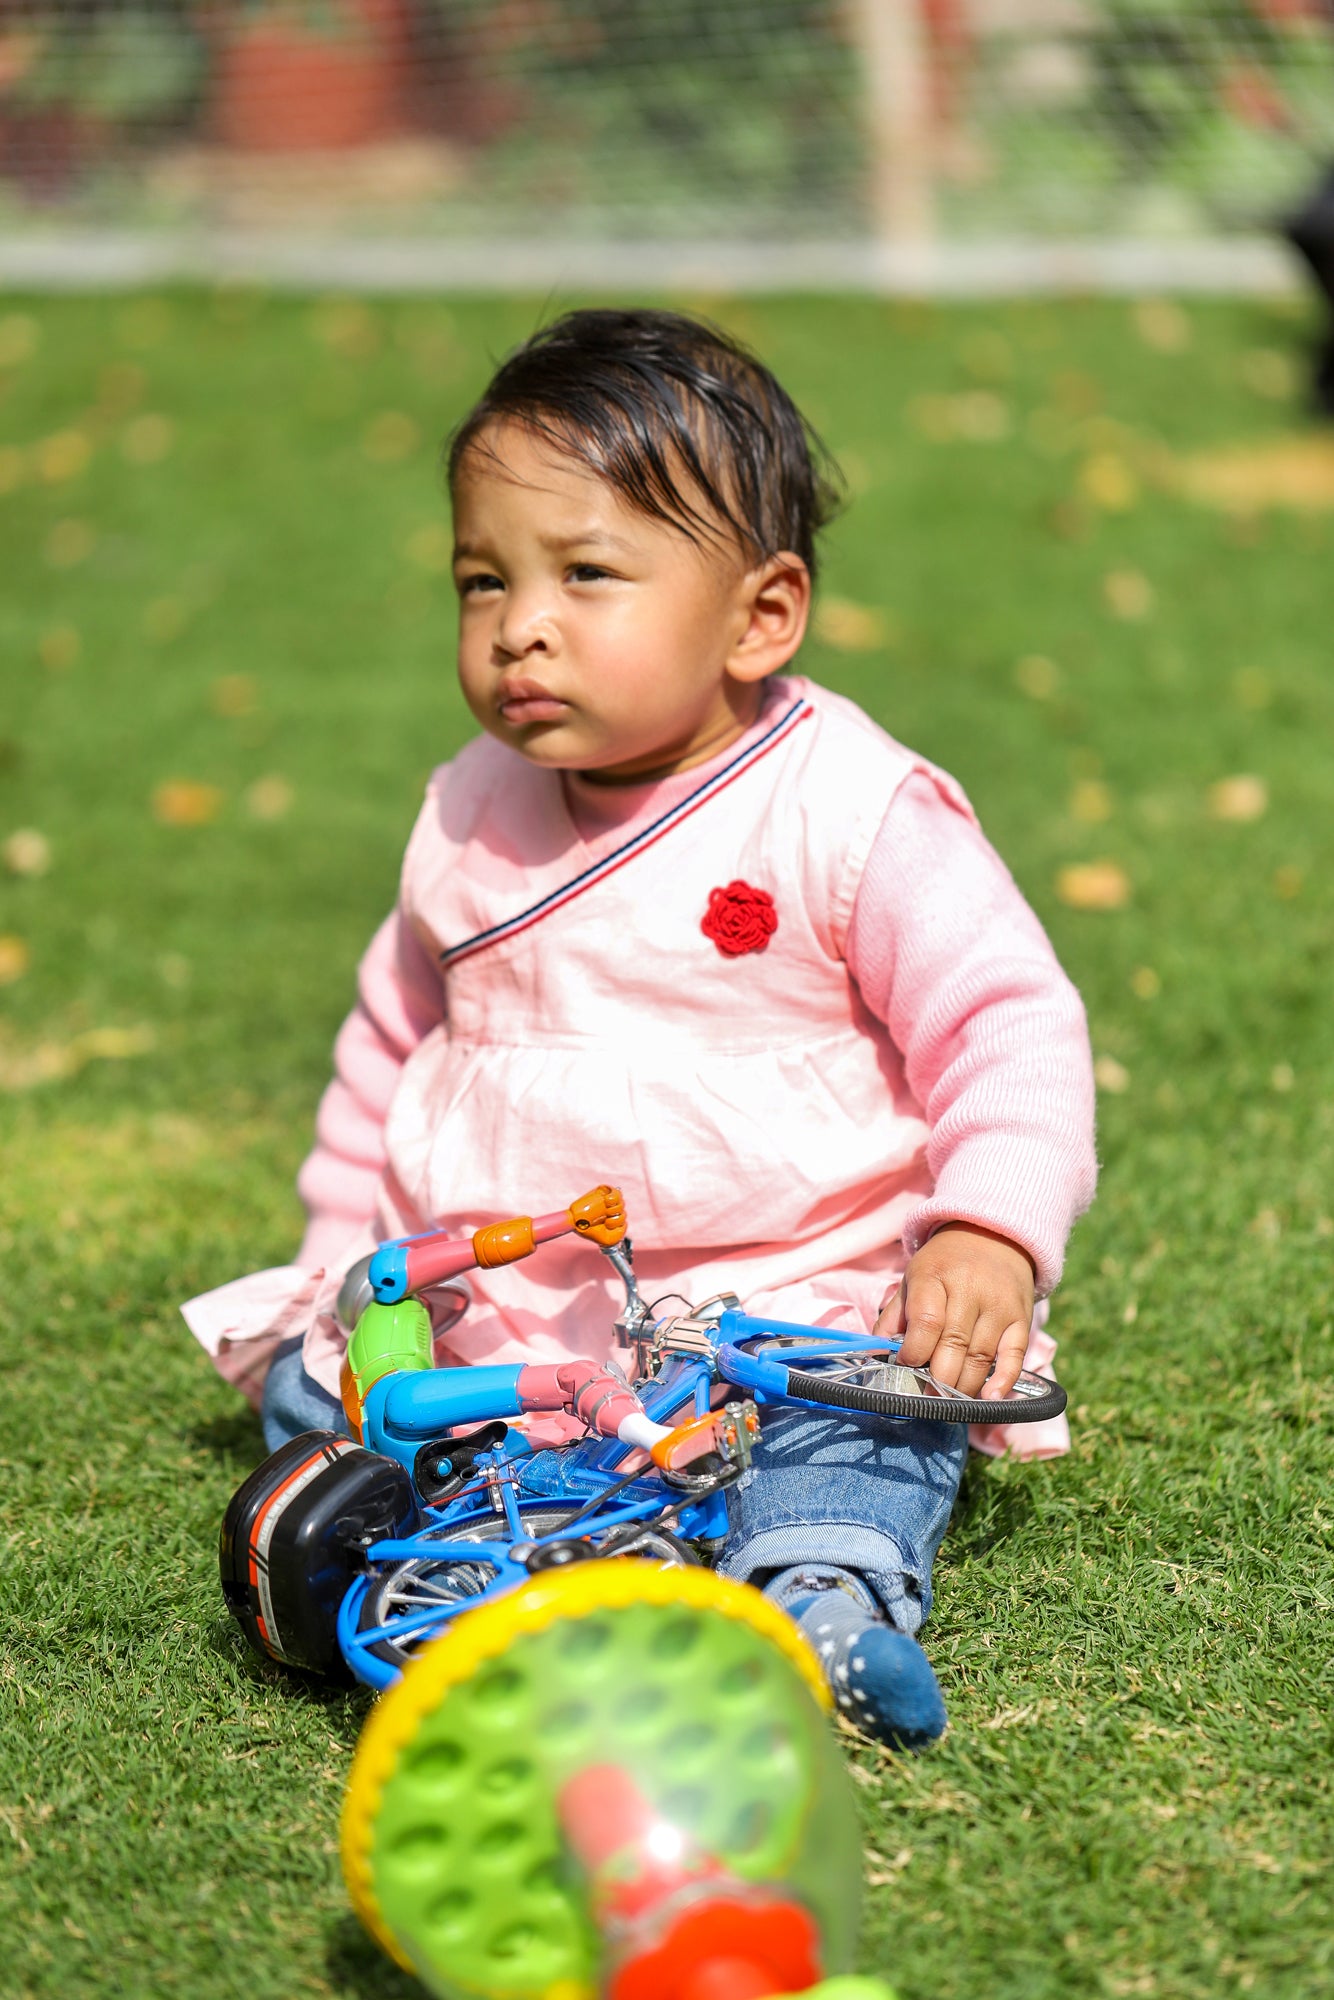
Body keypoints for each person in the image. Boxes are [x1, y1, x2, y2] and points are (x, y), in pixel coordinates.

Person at [184, 308, 1096, 1749]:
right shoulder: (469, 812)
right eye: (482, 583)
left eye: (585, 575)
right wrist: (334, 1267)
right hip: (515, 1309)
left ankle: (820, 1602)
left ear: (759, 615)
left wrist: (986, 1223)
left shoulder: (843, 809)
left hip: (790, 1306)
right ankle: (470, 1576)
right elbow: (386, 1052)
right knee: (336, 1399)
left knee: (854, 1438)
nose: (518, 627)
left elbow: (1008, 1024)